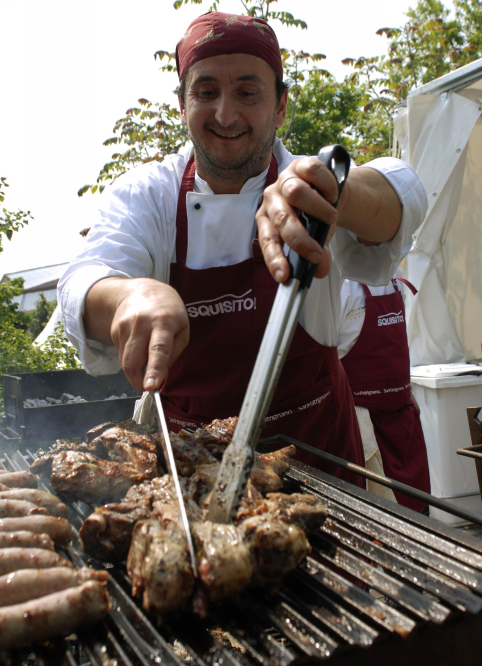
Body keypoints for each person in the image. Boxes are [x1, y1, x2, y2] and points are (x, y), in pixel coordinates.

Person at [58, 11, 428, 489]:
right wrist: (129, 297)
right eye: (206, 91)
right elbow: (87, 276)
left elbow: (405, 197)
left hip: (322, 471)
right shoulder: (148, 195)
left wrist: (334, 191)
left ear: (280, 107)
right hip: (189, 474)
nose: (226, 114)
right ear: (182, 103)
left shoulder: (312, 181)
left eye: (248, 92)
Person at [338, 263, 431, 510]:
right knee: (379, 516)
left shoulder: (394, 274)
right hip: (362, 421)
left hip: (403, 418)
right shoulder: (340, 282)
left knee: (419, 514)